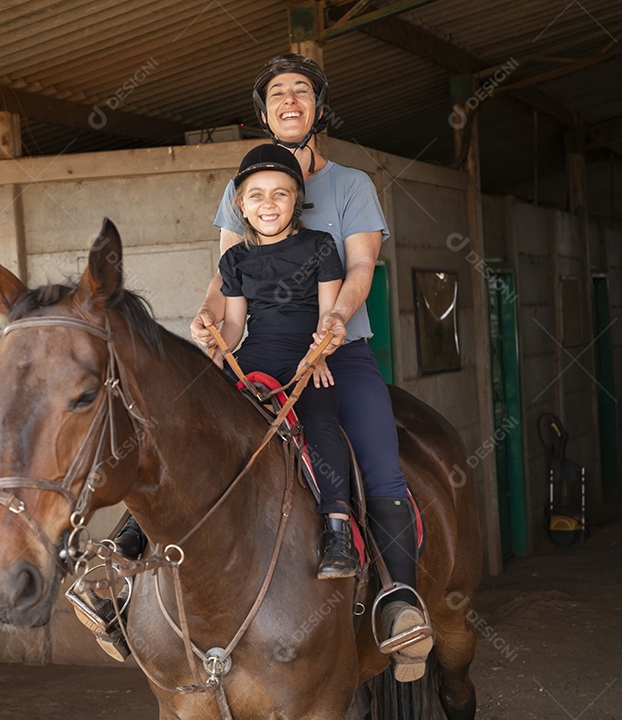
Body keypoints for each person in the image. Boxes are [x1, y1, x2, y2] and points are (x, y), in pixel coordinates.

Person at [189, 53, 432, 681]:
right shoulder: (240, 184)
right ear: (263, 111)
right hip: (260, 350)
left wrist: (334, 324)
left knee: (376, 452)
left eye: (302, 91)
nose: (289, 101)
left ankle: (401, 603)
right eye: (277, 93)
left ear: (319, 108)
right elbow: (226, 275)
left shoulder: (351, 184)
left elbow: (360, 268)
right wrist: (208, 319)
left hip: (336, 350)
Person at [215, 142, 357, 580]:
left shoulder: (319, 246)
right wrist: (217, 339)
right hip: (254, 358)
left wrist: (317, 354)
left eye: (281, 193)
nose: (268, 204)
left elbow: (328, 314)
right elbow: (236, 325)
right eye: (256, 195)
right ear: (240, 204)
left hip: (306, 359)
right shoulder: (233, 259)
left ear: (298, 199)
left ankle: (338, 531)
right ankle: (137, 529)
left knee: (320, 424)